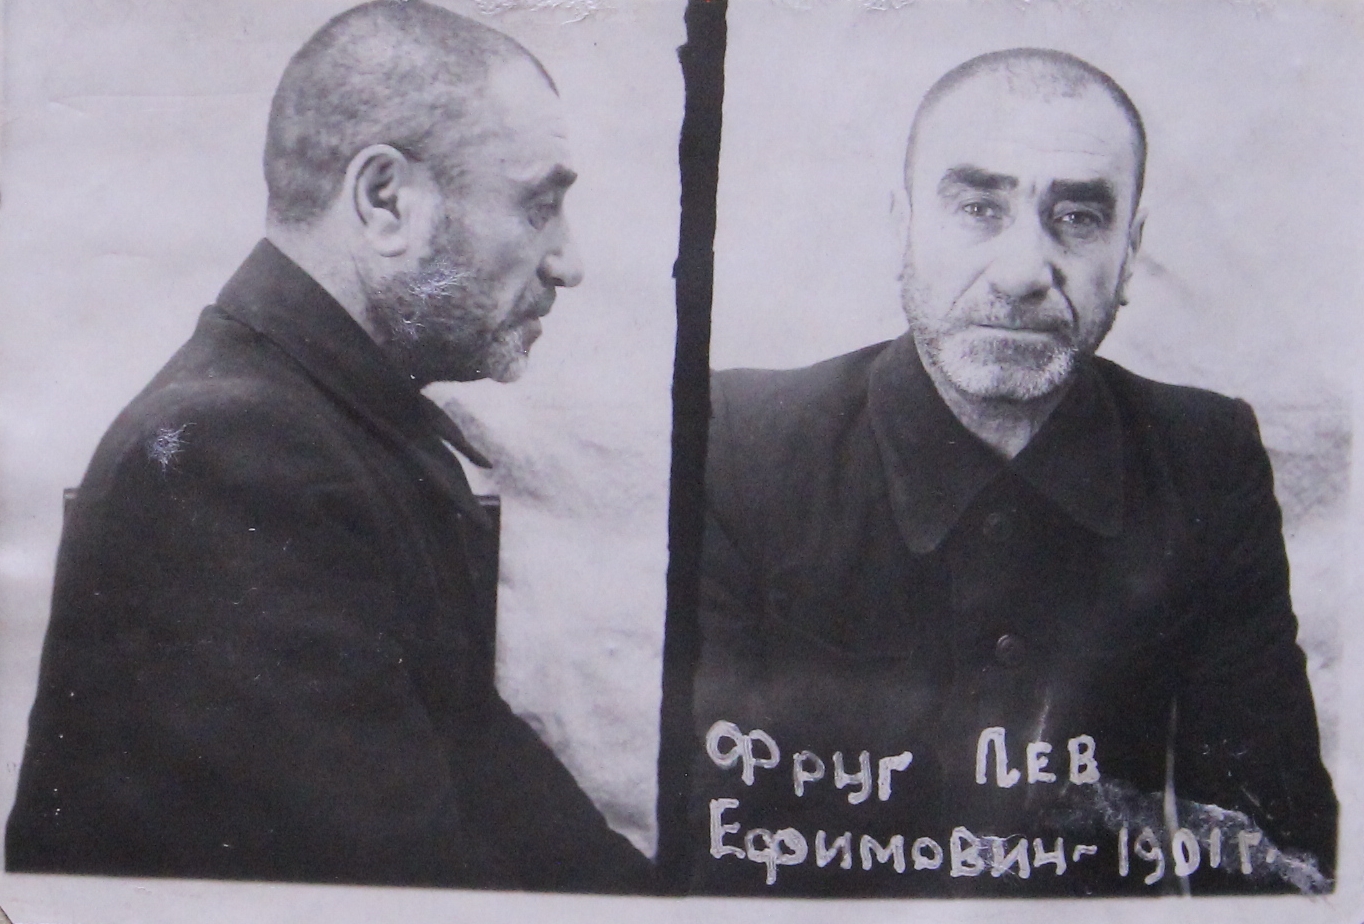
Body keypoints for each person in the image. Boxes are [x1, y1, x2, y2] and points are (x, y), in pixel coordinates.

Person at [7, 0, 652, 892]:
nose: (567, 263)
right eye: (538, 207)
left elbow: (485, 768)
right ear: (385, 200)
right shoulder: (238, 460)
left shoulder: (327, 426)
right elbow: (393, 888)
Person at [690, 48, 1337, 897]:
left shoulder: (1208, 457)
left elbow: (1272, 851)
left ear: (1130, 252)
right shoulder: (738, 441)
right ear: (901, 227)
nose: (1024, 272)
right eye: (977, 207)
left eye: (1079, 217)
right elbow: (714, 846)